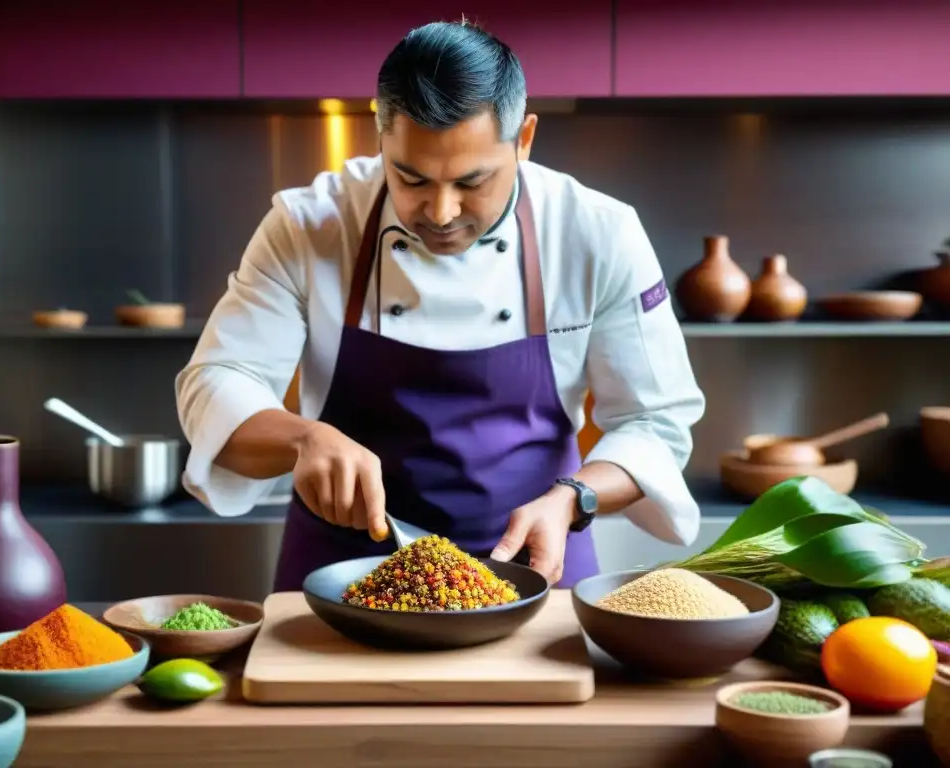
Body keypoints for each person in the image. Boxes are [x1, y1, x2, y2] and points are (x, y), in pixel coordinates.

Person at [175, 19, 706, 592]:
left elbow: (656, 421)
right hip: (343, 578)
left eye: (473, 182)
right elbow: (218, 381)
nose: (443, 212)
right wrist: (302, 438)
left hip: (533, 570)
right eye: (411, 178)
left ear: (524, 139)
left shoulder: (597, 233)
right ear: (380, 137)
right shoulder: (309, 225)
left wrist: (575, 497)